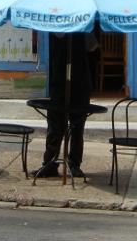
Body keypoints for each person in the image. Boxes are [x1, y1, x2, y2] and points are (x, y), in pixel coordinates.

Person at [31, 31, 99, 179]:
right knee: (55, 126)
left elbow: (92, 46)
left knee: (76, 127)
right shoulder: (53, 27)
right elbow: (92, 46)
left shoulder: (83, 27)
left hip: (79, 83)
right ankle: (50, 163)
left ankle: (73, 164)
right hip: (59, 82)